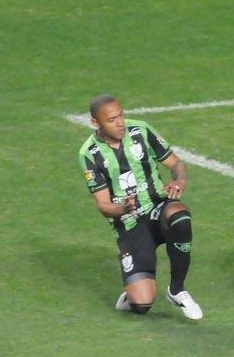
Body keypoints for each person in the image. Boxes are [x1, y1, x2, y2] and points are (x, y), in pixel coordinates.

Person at [79, 93, 203, 320]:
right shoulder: (89, 154)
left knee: (180, 217)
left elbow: (176, 164)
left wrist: (180, 180)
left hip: (157, 208)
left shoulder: (141, 131)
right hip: (129, 223)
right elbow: (104, 206)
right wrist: (124, 208)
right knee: (143, 304)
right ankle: (132, 294)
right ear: (95, 123)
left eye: (121, 115)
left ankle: (177, 290)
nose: (120, 123)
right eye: (111, 119)